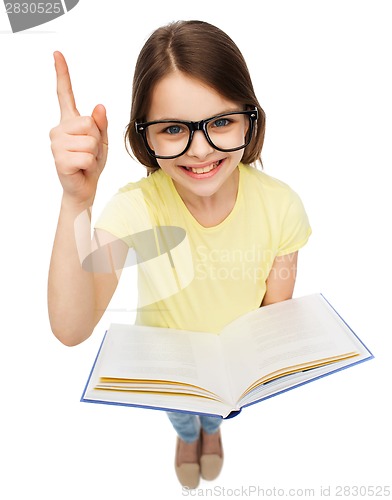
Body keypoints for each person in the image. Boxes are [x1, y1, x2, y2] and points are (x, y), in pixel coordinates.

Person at [48, 20, 312, 489]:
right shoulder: (137, 207)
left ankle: (211, 432)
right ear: (144, 136)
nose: (201, 150)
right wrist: (76, 201)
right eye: (174, 129)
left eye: (221, 122)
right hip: (169, 368)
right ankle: (189, 436)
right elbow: (71, 327)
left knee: (218, 415)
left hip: (235, 369)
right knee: (183, 416)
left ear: (250, 119)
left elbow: (275, 315)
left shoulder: (281, 206)